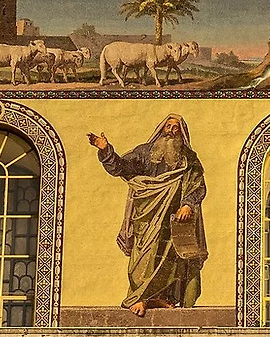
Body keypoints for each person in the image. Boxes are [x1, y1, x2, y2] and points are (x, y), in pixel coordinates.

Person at [89, 113, 207, 316]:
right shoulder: (144, 153)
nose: (171, 130)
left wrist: (188, 204)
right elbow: (121, 167)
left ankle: (161, 298)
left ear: (182, 132)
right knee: (143, 255)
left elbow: (198, 185)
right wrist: (106, 150)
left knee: (172, 258)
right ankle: (139, 298)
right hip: (147, 215)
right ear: (161, 128)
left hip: (175, 219)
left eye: (175, 127)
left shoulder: (188, 158)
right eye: (168, 126)